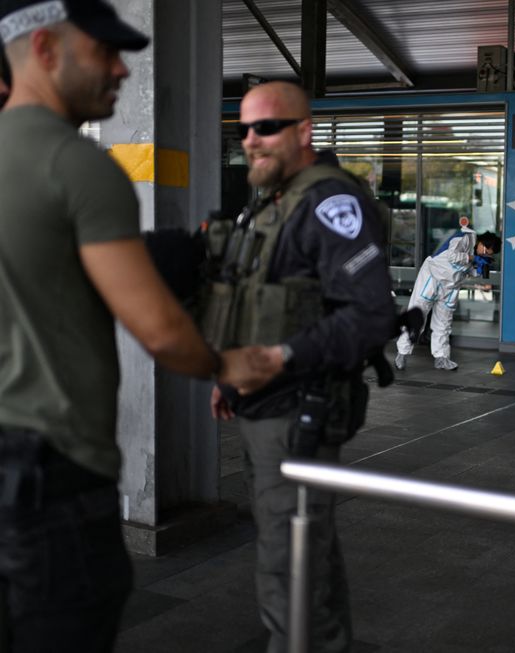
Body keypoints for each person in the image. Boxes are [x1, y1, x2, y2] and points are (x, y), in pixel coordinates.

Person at [0, 2, 278, 650]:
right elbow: (157, 328)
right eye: (104, 51)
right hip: (49, 469)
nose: (123, 69)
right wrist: (224, 364)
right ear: (45, 49)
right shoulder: (77, 165)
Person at [210, 80, 395, 652]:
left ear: (303, 131)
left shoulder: (329, 202)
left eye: (265, 127)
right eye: (243, 129)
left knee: (286, 567)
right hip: (262, 402)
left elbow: (369, 313)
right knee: (303, 546)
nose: (251, 141)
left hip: (299, 408)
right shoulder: (273, 201)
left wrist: (279, 357)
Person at [394, 226, 501, 371]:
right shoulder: (465, 238)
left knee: (444, 323)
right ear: (481, 242)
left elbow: (465, 270)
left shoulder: (476, 253)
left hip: (450, 287)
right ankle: (402, 354)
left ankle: (441, 358)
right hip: (432, 277)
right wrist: (473, 258)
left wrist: (477, 270)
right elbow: (452, 256)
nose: (484, 255)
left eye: (488, 255)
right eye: (485, 251)